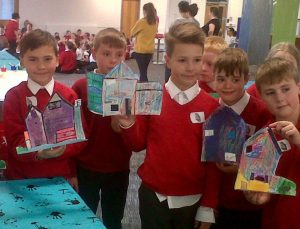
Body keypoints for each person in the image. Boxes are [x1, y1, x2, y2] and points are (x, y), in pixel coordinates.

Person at [118, 22, 221, 229]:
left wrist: (208, 205)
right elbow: (138, 145)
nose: (191, 67)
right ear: (167, 60)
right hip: (153, 196)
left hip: (193, 199)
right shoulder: (151, 96)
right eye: (182, 60)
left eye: (197, 60)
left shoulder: (212, 107)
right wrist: (128, 124)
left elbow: (213, 162)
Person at [3, 29, 84, 187]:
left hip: (60, 177)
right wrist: (38, 152)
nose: (41, 66)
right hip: (22, 179)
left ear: (57, 60)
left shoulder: (69, 96)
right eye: (33, 59)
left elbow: (79, 138)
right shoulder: (13, 97)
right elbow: (14, 143)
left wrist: (71, 167)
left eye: (47, 59)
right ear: (22, 61)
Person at [72, 28, 132, 229]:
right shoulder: (81, 86)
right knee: (83, 216)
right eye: (106, 54)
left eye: (119, 55)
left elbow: (135, 130)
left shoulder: (129, 86)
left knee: (114, 218)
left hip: (118, 165)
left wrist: (123, 125)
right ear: (94, 53)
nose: (113, 61)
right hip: (87, 165)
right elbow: (74, 129)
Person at [211, 48, 271, 229]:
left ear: (246, 79)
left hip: (247, 205)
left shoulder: (261, 113)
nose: (227, 85)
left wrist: (241, 169)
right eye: (221, 79)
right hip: (215, 200)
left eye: (235, 80)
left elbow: (267, 162)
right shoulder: (211, 109)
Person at [244, 57, 300, 229]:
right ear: (261, 96)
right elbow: (255, 187)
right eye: (271, 92)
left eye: (285, 89)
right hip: (276, 220)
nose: (280, 98)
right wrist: (257, 194)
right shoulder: (261, 138)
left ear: (298, 86)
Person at [131, 2, 157, 82]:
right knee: (144, 71)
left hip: (141, 50)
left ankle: (144, 88)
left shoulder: (141, 22)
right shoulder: (154, 22)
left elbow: (132, 33)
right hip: (150, 50)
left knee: (142, 72)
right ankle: (145, 86)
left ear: (145, 11)